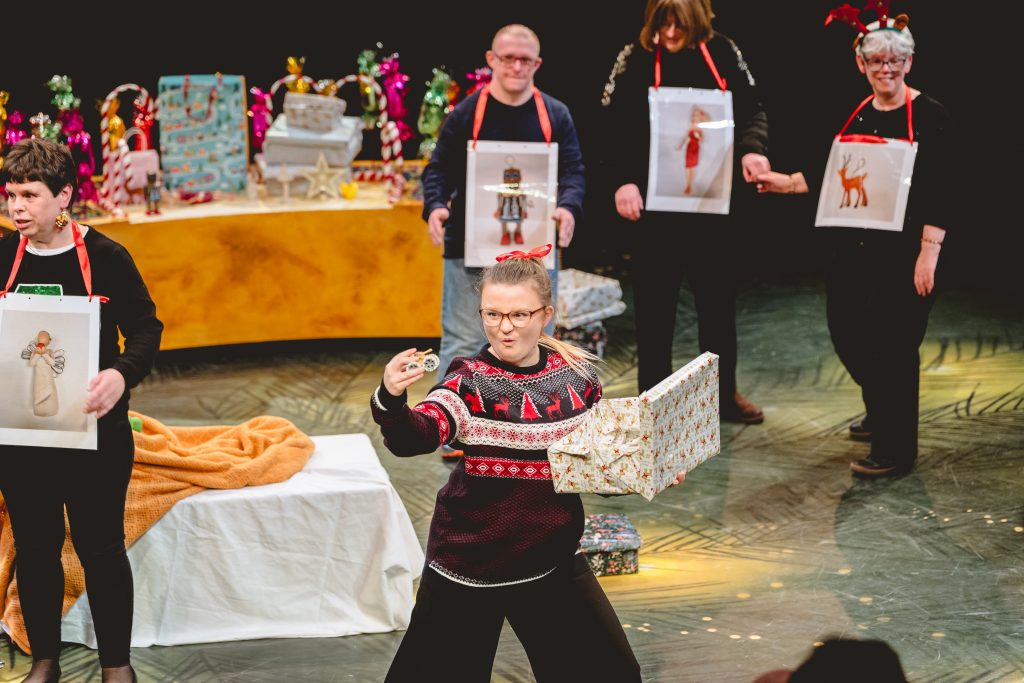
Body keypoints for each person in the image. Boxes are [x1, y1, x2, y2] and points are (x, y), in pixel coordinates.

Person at [371, 244, 678, 682]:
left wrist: (657, 468)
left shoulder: (577, 376)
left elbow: (596, 464)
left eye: (519, 315)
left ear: (545, 314)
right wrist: (392, 398)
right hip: (469, 563)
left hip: (549, 558)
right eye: (492, 315)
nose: (504, 328)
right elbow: (416, 436)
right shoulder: (468, 381)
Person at [754, 6, 952, 477]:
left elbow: (945, 189)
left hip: (905, 253)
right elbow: (833, 174)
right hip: (853, 250)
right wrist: (785, 183)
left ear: (909, 62)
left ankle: (895, 449)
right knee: (849, 334)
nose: (887, 70)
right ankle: (884, 410)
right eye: (877, 62)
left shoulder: (930, 116)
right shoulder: (856, 111)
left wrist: (929, 252)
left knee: (895, 347)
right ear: (861, 65)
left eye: (895, 61)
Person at [0, 138, 163, 683]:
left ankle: (117, 665)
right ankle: (45, 659)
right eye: (10, 194)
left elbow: (146, 328)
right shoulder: (4, 257)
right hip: (22, 436)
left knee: (101, 549)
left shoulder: (109, 257)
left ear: (64, 195)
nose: (16, 207)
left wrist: (120, 374)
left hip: (96, 434)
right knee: (37, 549)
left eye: (30, 195)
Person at [421, 24, 586, 458]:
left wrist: (568, 207)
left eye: (525, 60)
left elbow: (572, 171)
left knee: (538, 338)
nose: (516, 66)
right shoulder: (466, 113)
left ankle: (535, 427)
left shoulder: (555, 114)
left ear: (537, 65)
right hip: (469, 245)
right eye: (507, 58)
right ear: (491, 60)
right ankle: (454, 430)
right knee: (460, 338)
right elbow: (438, 169)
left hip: (532, 247)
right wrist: (436, 205)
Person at [601, 0, 770, 422]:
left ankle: (722, 394)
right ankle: (653, 402)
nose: (672, 32)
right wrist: (622, 180)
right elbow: (609, 124)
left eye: (680, 22)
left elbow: (753, 109)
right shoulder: (634, 57)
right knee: (655, 310)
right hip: (653, 211)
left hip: (711, 207)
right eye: (663, 22)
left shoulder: (724, 52)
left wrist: (752, 152)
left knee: (717, 308)